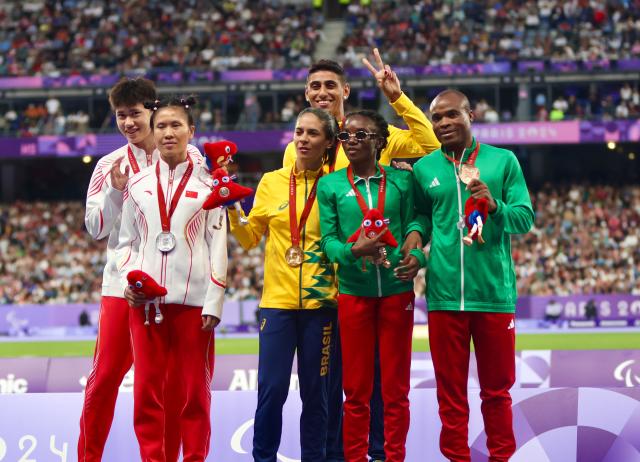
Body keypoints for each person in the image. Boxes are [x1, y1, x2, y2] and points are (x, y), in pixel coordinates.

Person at [282, 50, 440, 462]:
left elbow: (429, 143)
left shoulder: (379, 138)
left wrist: (397, 97)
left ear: (345, 91)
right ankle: (339, 455)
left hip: (382, 285)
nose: (322, 93)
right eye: (315, 86)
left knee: (382, 383)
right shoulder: (299, 147)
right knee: (335, 385)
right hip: (327, 285)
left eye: (330, 85)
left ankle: (381, 452)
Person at [80, 77, 203, 462]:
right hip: (123, 287)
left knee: (168, 388)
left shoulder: (191, 157)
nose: (129, 123)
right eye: (121, 116)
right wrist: (116, 191)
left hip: (174, 289)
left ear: (153, 110)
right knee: (103, 381)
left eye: (135, 113)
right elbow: (96, 228)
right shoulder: (107, 164)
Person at [412, 89, 534, 462]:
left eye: (452, 115)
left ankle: (501, 457)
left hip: (494, 295)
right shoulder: (424, 168)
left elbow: (524, 218)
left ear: (471, 115)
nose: (444, 123)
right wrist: (415, 248)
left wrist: (495, 205)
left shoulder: (503, 162)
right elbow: (420, 221)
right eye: (437, 118)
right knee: (450, 393)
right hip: (444, 295)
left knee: (497, 392)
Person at [116, 95, 227, 462]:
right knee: (147, 392)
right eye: (161, 125)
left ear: (191, 132)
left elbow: (218, 248)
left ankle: (195, 457)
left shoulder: (211, 187)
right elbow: (126, 243)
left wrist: (214, 302)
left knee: (194, 393)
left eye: (176, 125)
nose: (167, 132)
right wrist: (128, 282)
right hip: (146, 305)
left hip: (194, 306)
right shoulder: (137, 184)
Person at [229, 108, 339, 461]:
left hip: (322, 307)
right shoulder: (271, 181)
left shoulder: (336, 184)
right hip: (276, 306)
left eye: (312, 133)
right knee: (272, 390)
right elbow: (248, 238)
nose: (303, 139)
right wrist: (233, 209)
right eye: (298, 132)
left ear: (328, 143)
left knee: (317, 394)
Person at [318, 109, 426, 462]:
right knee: (356, 391)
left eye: (361, 135)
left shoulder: (402, 180)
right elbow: (329, 242)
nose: (351, 141)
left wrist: (416, 244)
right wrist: (354, 250)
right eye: (346, 136)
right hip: (354, 296)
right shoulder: (330, 184)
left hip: (397, 293)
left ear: (380, 142)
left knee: (395, 390)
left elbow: (419, 219)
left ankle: (394, 457)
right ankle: (355, 457)